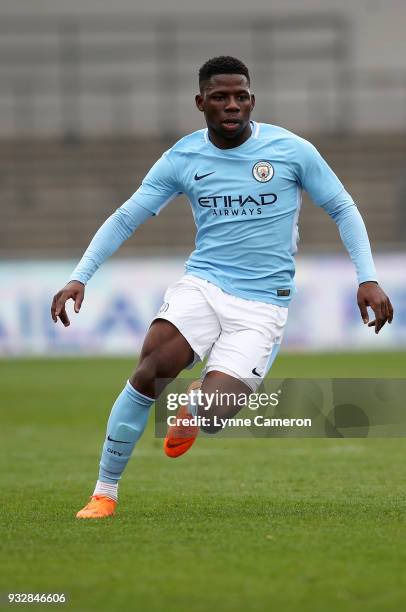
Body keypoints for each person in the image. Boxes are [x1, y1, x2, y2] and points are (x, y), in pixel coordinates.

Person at [51, 56, 393, 519]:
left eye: (241, 96)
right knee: (152, 367)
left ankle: (195, 413)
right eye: (220, 97)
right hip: (204, 285)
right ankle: (104, 493)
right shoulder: (183, 158)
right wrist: (79, 276)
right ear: (201, 103)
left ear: (252, 100)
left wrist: (367, 277)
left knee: (213, 414)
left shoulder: (291, 150)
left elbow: (343, 207)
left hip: (262, 305)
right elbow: (127, 216)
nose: (232, 105)